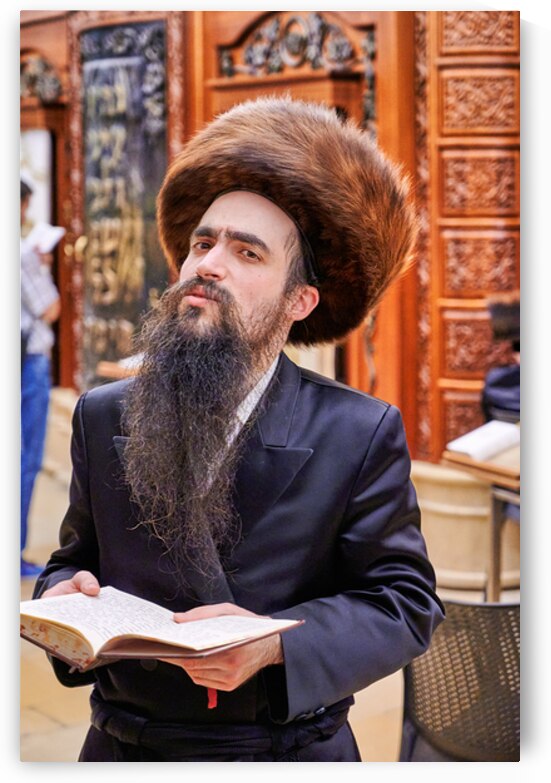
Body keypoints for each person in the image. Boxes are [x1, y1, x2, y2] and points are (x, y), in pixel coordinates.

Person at [33, 97, 445, 762]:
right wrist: (60, 592)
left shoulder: (358, 430)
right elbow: (70, 561)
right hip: (122, 748)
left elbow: (403, 603)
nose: (208, 264)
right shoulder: (104, 412)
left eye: (246, 252)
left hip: (282, 750)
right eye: (203, 242)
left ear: (297, 301)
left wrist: (278, 642)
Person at [20, 178, 61, 578]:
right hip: (25, 363)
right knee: (23, 458)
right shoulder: (22, 254)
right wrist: (43, 270)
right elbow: (49, 308)